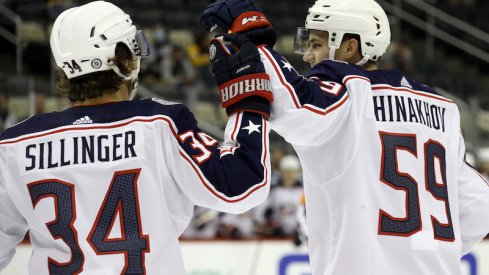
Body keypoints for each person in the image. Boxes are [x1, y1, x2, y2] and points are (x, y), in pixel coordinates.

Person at [200, 0, 489, 274]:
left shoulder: (352, 90)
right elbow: (480, 206)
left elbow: (294, 103)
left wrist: (253, 42)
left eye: (315, 43)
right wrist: (428, 252)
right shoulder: (444, 110)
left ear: (350, 48)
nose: (308, 55)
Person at [0, 1, 274, 274]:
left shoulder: (14, 145)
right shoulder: (161, 123)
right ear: (123, 59)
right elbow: (243, 186)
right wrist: (248, 94)